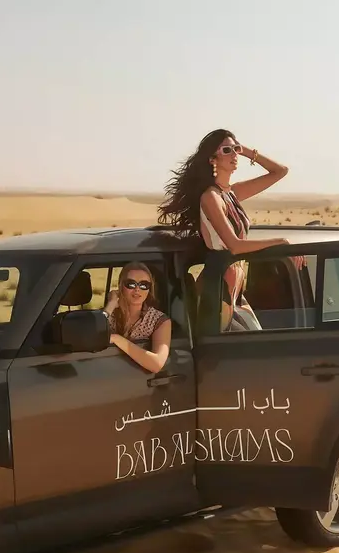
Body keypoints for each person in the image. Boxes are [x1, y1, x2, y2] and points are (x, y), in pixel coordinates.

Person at [157, 129, 292, 331]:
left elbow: (280, 171)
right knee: (235, 347)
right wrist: (281, 242)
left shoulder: (232, 193)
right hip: (217, 289)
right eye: (227, 150)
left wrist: (247, 151)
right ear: (212, 159)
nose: (234, 154)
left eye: (235, 149)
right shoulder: (211, 197)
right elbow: (235, 246)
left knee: (256, 339)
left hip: (235, 291)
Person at [103, 262, 172, 373]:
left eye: (144, 285)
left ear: (149, 289)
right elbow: (93, 334)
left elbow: (157, 364)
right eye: (131, 284)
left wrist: (116, 339)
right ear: (121, 286)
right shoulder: (110, 314)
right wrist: (110, 305)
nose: (137, 289)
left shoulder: (159, 320)